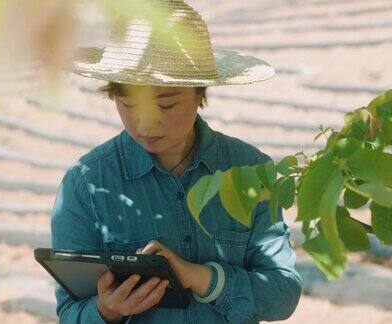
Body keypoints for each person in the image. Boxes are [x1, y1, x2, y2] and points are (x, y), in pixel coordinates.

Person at [50, 0, 302, 323]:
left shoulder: (250, 171)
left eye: (166, 105)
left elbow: (282, 292)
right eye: (128, 104)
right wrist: (106, 310)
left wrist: (199, 277)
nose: (145, 124)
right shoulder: (86, 184)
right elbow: (70, 313)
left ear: (200, 94)